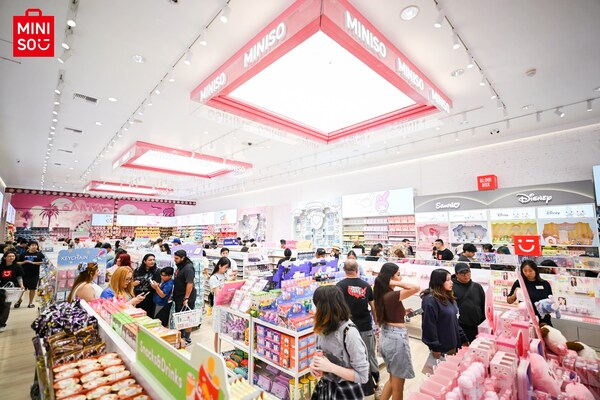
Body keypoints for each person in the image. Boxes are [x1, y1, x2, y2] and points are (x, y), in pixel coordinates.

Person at [309, 285, 369, 399]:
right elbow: (320, 352)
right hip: (326, 388)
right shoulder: (322, 327)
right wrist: (315, 365)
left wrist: (330, 367)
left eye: (315, 305)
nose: (313, 309)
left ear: (323, 308)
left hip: (345, 392)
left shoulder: (349, 333)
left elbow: (363, 376)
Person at [374, 262, 420, 400]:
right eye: (398, 275)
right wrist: (393, 282)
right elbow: (416, 287)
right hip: (396, 340)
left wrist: (403, 312)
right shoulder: (391, 295)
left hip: (388, 336)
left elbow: (389, 313)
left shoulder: (383, 294)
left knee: (393, 379)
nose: (400, 278)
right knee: (399, 385)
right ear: (391, 277)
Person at [336, 259, 378, 397]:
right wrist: (377, 322)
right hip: (365, 326)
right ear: (357, 270)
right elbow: (373, 307)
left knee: (349, 357)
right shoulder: (366, 285)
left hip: (346, 328)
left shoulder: (339, 286)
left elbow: (336, 308)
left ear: (344, 270)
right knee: (369, 355)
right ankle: (374, 384)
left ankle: (352, 387)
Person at [421, 269, 468, 364]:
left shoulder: (449, 298)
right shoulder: (430, 301)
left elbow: (454, 320)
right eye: (448, 280)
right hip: (441, 348)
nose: (452, 282)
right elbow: (429, 326)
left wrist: (463, 338)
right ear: (439, 281)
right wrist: (435, 347)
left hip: (453, 344)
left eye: (451, 279)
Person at [507, 260, 554, 325]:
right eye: (525, 271)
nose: (528, 273)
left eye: (530, 271)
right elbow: (509, 301)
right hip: (526, 320)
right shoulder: (519, 283)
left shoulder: (545, 284)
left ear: (536, 271)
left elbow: (550, 302)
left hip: (543, 320)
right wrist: (515, 294)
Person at [452, 263, 486, 343]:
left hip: (477, 326)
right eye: (462, 273)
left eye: (467, 272)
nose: (466, 275)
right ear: (456, 274)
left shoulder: (477, 287)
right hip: (461, 327)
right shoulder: (452, 287)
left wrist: (484, 323)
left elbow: (483, 305)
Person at [173, 249, 197, 346]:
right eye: (174, 258)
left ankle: (187, 339)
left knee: (187, 318)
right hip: (179, 296)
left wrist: (186, 298)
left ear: (183, 258)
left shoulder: (188, 268)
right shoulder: (180, 266)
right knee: (180, 317)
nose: (175, 260)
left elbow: (189, 283)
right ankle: (181, 336)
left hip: (186, 298)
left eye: (177, 258)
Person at [209, 257, 231, 351]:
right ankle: (217, 352)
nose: (226, 270)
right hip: (219, 308)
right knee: (218, 332)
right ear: (220, 266)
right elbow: (217, 293)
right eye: (225, 267)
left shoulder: (225, 275)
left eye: (227, 268)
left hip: (227, 306)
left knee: (227, 330)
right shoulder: (214, 278)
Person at [0, 251, 25, 332]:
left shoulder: (17, 267)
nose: (11, 258)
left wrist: (21, 285)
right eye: (9, 256)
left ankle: (2, 323)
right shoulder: (1, 266)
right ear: (5, 257)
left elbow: (19, 277)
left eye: (13, 256)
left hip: (12, 289)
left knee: (6, 306)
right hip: (1, 288)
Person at [16, 241, 45, 308]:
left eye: (35, 245)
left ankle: (30, 303)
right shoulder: (23, 254)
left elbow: (44, 262)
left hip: (34, 274)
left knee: (32, 289)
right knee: (21, 289)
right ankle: (19, 301)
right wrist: (24, 262)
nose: (34, 246)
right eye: (32, 245)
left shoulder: (40, 254)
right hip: (23, 274)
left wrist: (34, 263)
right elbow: (17, 262)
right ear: (28, 246)